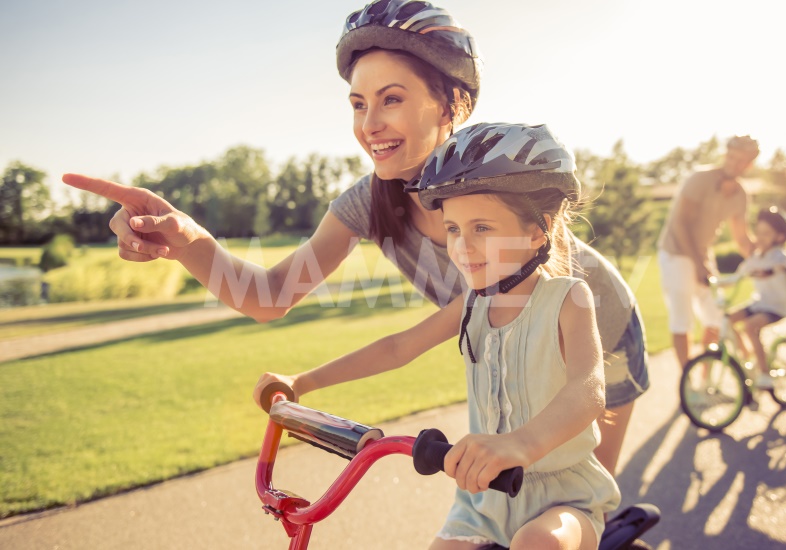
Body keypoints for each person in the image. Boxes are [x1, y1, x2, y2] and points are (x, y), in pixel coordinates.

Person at [60, 0, 647, 479]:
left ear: (451, 104)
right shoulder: (370, 202)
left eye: (392, 99)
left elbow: (553, 343)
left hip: (595, 342)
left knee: (567, 504)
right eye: (359, 104)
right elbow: (268, 296)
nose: (370, 125)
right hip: (515, 356)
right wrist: (187, 238)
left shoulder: (500, 183)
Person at [255, 122, 621, 549]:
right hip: (482, 503)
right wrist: (303, 382)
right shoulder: (471, 303)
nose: (462, 247)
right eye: (453, 229)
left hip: (564, 498)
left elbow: (588, 388)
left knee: (539, 543)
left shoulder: (568, 299)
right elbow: (398, 347)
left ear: (537, 231)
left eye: (481, 228)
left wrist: (520, 445)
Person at [656, 135, 759, 369]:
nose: (734, 163)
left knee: (715, 318)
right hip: (676, 253)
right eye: (731, 157)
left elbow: (742, 237)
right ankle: (687, 380)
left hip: (702, 254)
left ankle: (705, 377)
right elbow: (682, 224)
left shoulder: (741, 195)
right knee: (683, 321)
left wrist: (764, 261)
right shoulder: (699, 180)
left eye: (741, 160)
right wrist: (699, 265)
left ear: (749, 165)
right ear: (725, 155)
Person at [728, 206, 786, 388]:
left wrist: (769, 271)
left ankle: (764, 373)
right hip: (761, 303)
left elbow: (782, 269)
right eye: (758, 232)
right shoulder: (756, 257)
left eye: (766, 233)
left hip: (779, 306)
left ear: (779, 237)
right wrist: (712, 281)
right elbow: (736, 276)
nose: (760, 237)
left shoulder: (780, 257)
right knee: (727, 320)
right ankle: (748, 356)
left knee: (749, 327)